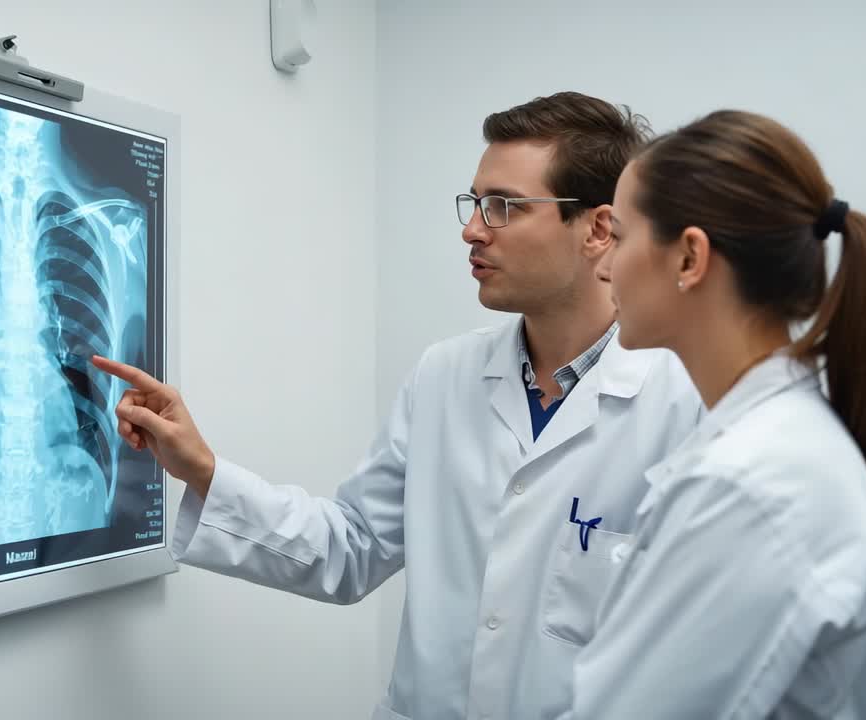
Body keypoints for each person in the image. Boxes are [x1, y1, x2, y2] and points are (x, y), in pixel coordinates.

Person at [92, 92, 702, 720]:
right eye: (474, 204)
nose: (471, 229)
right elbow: (351, 548)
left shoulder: (682, 402)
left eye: (503, 208)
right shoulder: (445, 374)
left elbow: (697, 650)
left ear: (598, 229)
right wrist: (201, 469)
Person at [573, 109, 866, 718]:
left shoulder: (748, 484)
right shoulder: (770, 447)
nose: (604, 267)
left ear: (689, 258)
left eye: (622, 237)